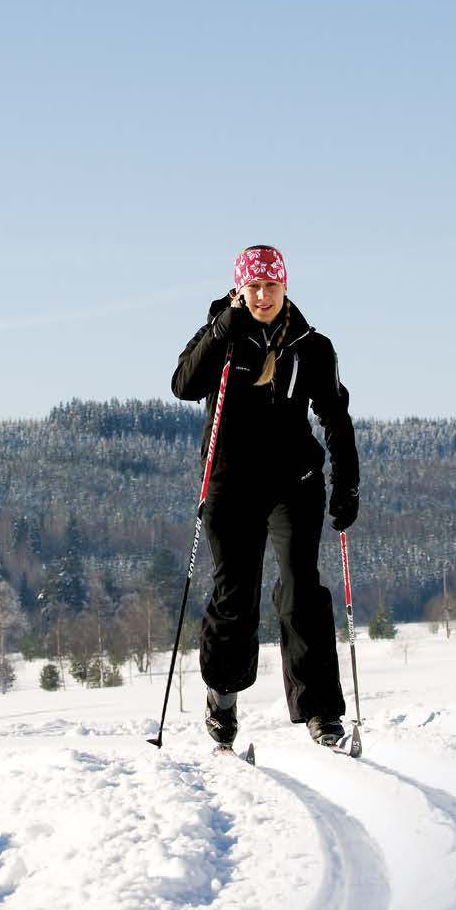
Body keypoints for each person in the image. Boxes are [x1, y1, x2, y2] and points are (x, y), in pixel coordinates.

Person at [170, 244, 360, 749]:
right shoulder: (222, 333)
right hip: (231, 484)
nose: (262, 296)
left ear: (285, 287)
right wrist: (223, 328)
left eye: (271, 286)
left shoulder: (312, 346)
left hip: (294, 483)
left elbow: (336, 419)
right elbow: (184, 386)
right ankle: (223, 700)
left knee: (302, 592)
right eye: (253, 287)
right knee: (236, 597)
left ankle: (322, 712)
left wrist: (347, 482)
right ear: (240, 289)